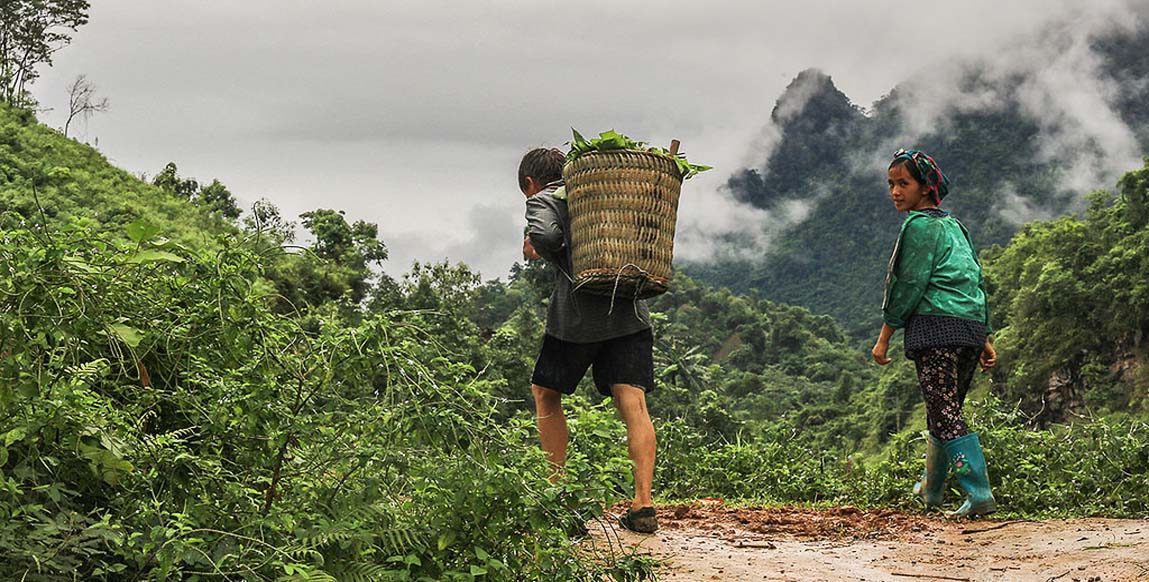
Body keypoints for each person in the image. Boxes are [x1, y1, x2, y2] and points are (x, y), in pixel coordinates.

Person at [519, 146, 659, 534]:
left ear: (530, 183)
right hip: (630, 313)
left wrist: (543, 246)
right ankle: (643, 504)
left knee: (545, 393)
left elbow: (546, 235)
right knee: (632, 400)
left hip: (577, 320)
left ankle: (556, 495)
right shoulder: (601, 191)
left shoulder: (545, 198)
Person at [872, 149, 998, 518]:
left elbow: (907, 285)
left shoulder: (918, 226)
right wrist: (985, 335)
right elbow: (974, 279)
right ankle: (932, 490)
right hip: (969, 330)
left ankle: (979, 492)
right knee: (944, 411)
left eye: (903, 184)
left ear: (926, 188)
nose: (895, 191)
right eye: (891, 184)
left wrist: (884, 337)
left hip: (936, 330)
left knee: (943, 411)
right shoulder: (956, 227)